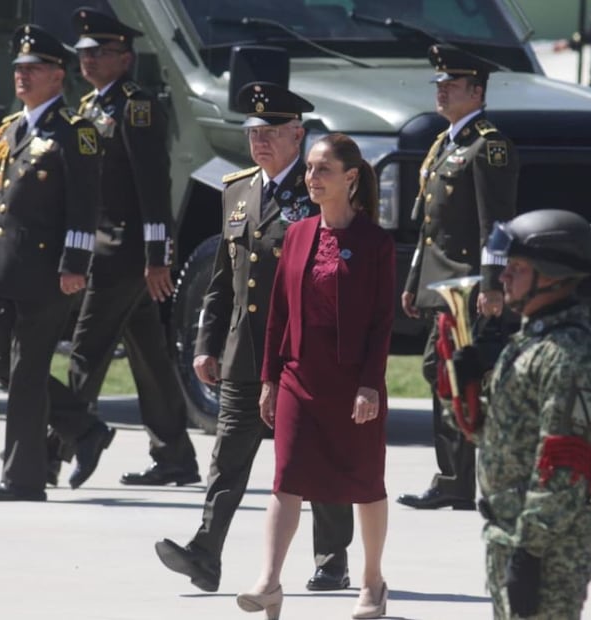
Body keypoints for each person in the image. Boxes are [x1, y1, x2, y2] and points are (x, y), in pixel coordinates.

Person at [154, 83, 353, 595]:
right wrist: (206, 342)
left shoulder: (317, 193)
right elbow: (223, 278)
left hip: (301, 349)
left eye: (271, 133)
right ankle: (205, 552)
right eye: (253, 133)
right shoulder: (238, 188)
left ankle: (332, 558)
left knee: (313, 451)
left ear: (297, 136)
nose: (259, 142)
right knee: (229, 454)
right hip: (245, 348)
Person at [42, 7, 200, 488]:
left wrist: (158, 258)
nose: (88, 60)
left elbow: (154, 185)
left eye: (101, 52)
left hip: (125, 254)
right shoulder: (90, 107)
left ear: (125, 59)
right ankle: (174, 455)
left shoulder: (137, 106)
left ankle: (53, 451)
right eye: (84, 52)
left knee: (86, 353)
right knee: (150, 356)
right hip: (103, 249)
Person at [239, 132, 394, 620]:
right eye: (308, 169)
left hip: (353, 384)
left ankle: (372, 581)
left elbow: (382, 323)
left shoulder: (375, 242)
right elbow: (278, 314)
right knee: (286, 478)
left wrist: (370, 383)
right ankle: (268, 583)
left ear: (351, 177)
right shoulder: (298, 233)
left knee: (365, 482)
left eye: (322, 169)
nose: (311, 178)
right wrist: (268, 378)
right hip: (299, 377)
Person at [472, 209, 591, 619]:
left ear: (549, 275)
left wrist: (529, 554)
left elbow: (564, 465)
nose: (503, 278)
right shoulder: (528, 342)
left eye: (516, 268)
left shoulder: (569, 355)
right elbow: (491, 435)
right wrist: (458, 387)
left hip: (548, 548)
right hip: (509, 533)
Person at [397, 44, 518, 511]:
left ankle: (479, 478)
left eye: (453, 85)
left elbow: (497, 225)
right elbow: (431, 227)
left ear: (478, 91)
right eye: (440, 84)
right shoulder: (446, 142)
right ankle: (456, 480)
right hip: (440, 282)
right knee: (447, 374)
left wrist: (492, 284)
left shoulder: (488, 145)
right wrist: (414, 281)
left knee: (454, 373)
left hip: (468, 283)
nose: (442, 91)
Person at [0, 24, 108, 501]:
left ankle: (21, 478)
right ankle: (82, 426)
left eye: (35, 69)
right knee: (9, 364)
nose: (23, 76)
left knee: (26, 371)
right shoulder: (10, 129)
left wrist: (75, 265)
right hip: (7, 268)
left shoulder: (75, 133)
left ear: (58, 77)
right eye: (20, 68)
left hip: (47, 274)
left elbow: (85, 206)